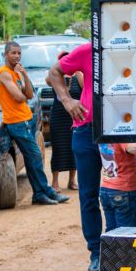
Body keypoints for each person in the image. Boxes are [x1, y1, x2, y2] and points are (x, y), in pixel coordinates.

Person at [47, 42, 102, 271]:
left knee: (120, 194)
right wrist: (67, 100)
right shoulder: (88, 50)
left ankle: (122, 250)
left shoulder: (135, 47)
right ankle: (97, 252)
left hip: (120, 132)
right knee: (89, 195)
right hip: (86, 131)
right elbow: (53, 72)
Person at [0, 42, 69, 206]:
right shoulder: (4, 74)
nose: (16, 56)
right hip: (15, 122)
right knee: (35, 156)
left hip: (24, 119)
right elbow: (19, 97)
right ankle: (47, 191)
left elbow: (28, 93)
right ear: (6, 54)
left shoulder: (16, 73)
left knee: (32, 158)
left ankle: (39, 195)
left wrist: (25, 75)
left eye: (19, 53)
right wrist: (22, 94)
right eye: (13, 53)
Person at [46, 52, 81, 192]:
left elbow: (84, 86)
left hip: (74, 117)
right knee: (58, 148)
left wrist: (78, 71)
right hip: (59, 117)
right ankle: (55, 182)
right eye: (63, 60)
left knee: (74, 148)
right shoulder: (55, 77)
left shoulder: (78, 75)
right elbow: (48, 80)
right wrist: (61, 73)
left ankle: (72, 181)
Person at [99, 142, 136, 230]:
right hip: (123, 189)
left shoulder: (103, 134)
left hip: (106, 188)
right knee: (126, 233)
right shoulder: (120, 133)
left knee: (111, 231)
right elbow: (132, 148)